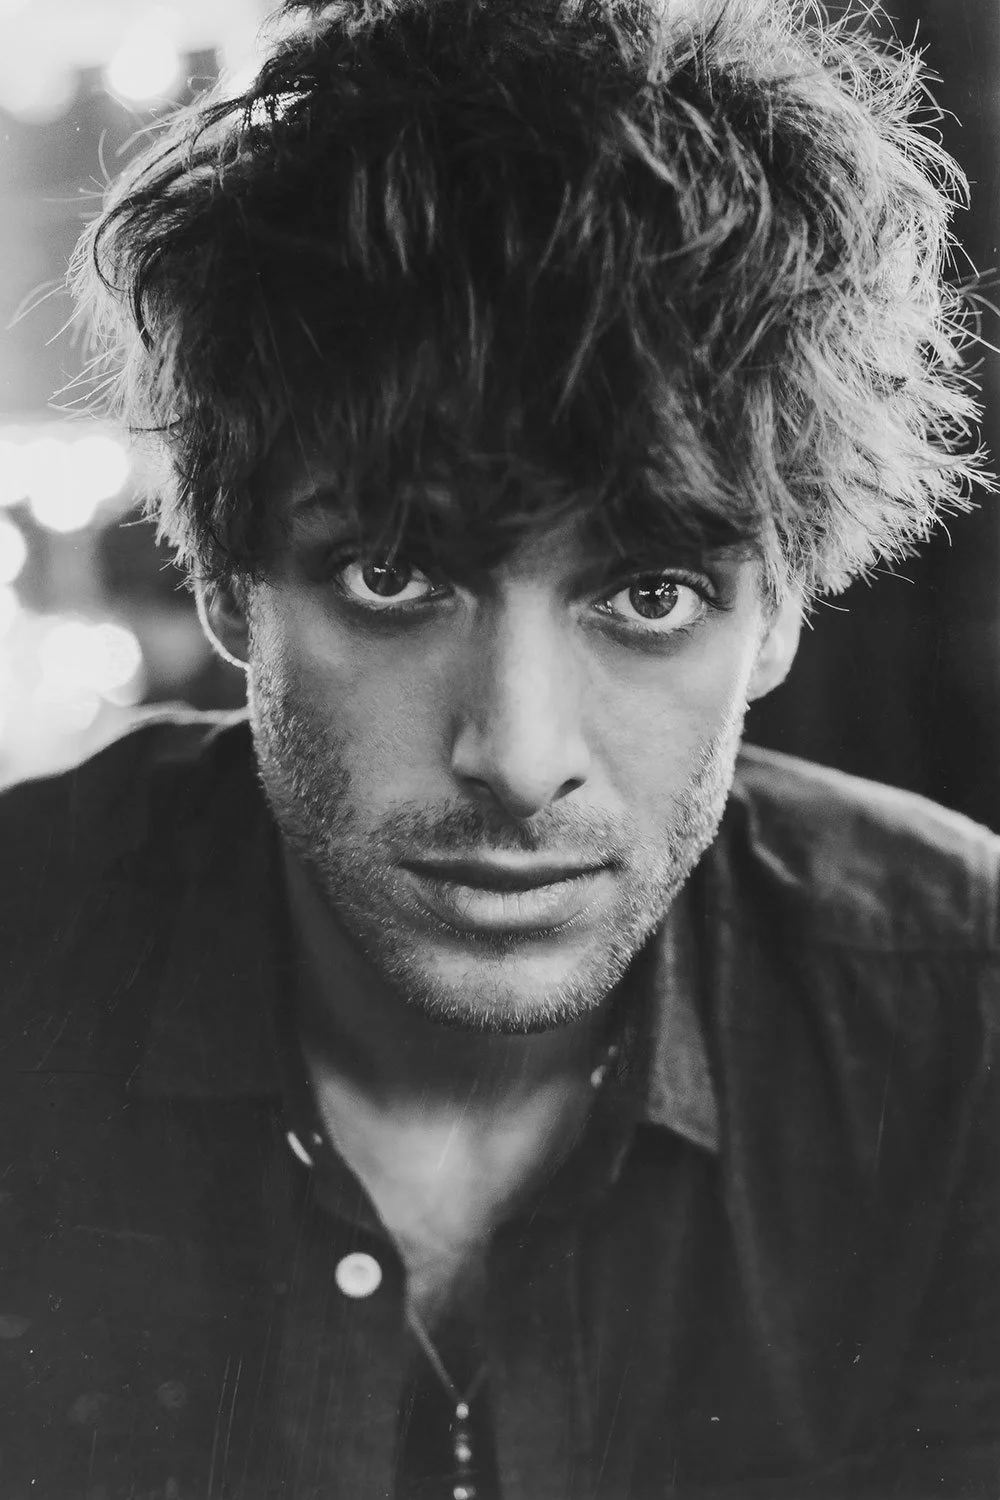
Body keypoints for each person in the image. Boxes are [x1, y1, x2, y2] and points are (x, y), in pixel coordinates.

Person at [2, 0, 997, 1494]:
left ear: (781, 613)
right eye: (394, 575)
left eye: (649, 595)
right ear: (226, 583)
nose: (520, 758)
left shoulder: (959, 1023)